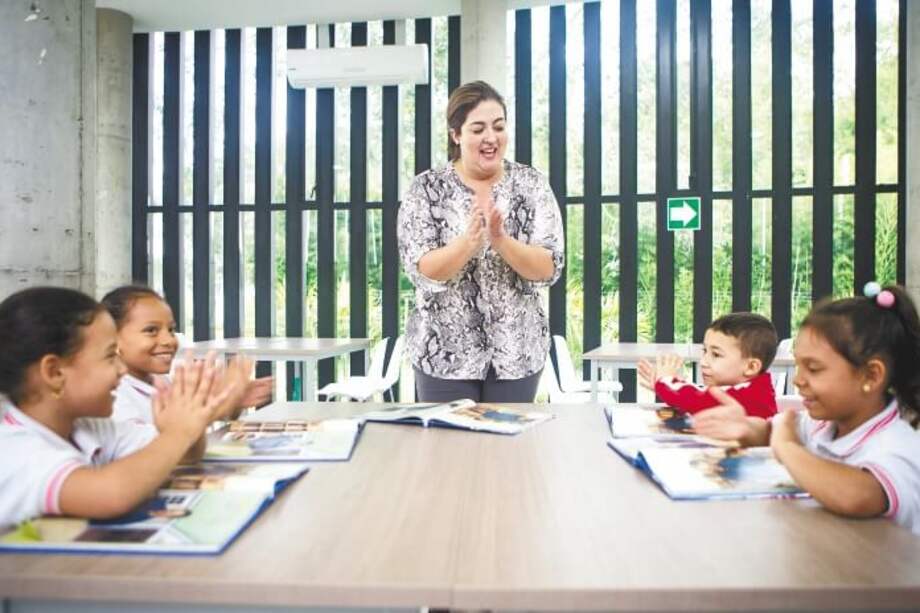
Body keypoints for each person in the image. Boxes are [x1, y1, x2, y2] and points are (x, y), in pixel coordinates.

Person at [0, 287, 240, 529]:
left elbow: (183, 456)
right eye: (109, 356)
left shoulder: (87, 428)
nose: (122, 369)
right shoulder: (13, 448)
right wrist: (178, 433)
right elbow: (109, 495)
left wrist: (190, 423)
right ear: (54, 372)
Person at [693, 283, 920, 534]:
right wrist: (747, 427)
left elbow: (857, 496)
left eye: (813, 369)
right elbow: (775, 429)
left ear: (871, 376)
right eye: (798, 366)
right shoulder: (823, 424)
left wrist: (787, 448)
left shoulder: (898, 446)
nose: (798, 380)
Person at [397, 80, 564, 403]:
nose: (491, 137)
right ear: (456, 134)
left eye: (498, 127)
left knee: (508, 451)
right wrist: (467, 244)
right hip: (443, 354)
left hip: (516, 353)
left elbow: (549, 267)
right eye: (478, 129)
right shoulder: (426, 189)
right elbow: (421, 269)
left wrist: (501, 241)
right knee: (448, 450)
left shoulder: (530, 184)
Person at [101, 285, 272, 424]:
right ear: (113, 338)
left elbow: (193, 417)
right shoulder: (114, 395)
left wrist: (232, 402)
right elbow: (154, 448)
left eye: (171, 330)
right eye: (151, 330)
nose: (169, 340)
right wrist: (224, 402)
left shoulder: (161, 382)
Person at [637, 312, 779, 418]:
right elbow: (702, 394)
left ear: (751, 367)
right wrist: (664, 386)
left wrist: (666, 382)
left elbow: (696, 399)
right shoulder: (750, 389)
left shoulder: (751, 396)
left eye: (716, 355)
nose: (703, 362)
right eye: (705, 351)